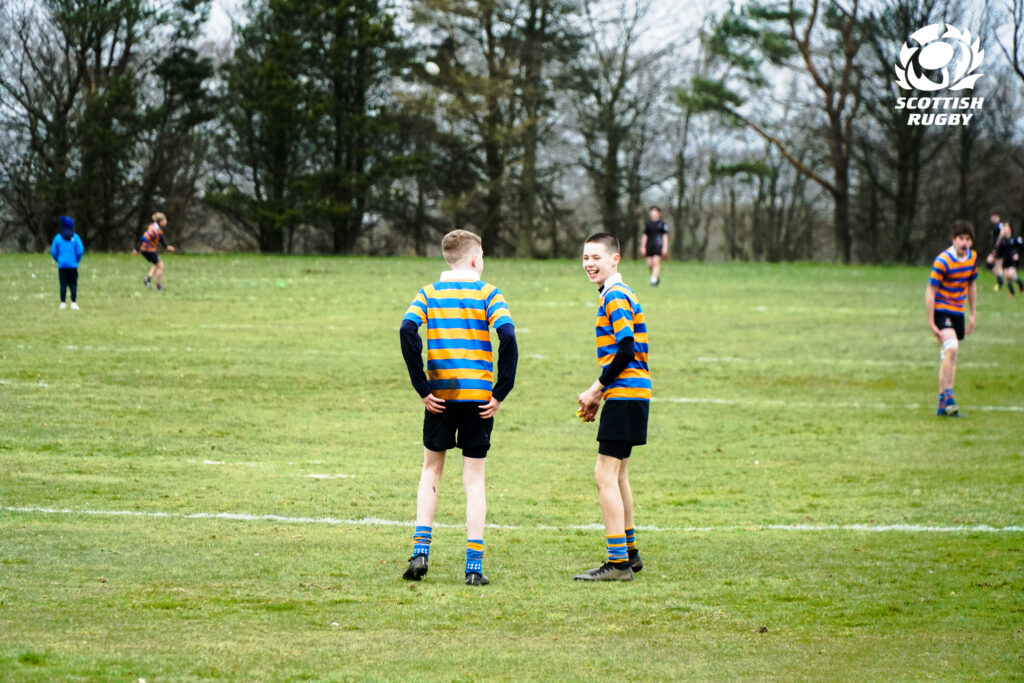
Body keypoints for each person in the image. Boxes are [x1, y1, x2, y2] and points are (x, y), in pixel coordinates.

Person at [399, 229, 518, 586]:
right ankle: (473, 567)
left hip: (439, 396)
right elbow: (508, 336)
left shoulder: (428, 293)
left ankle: (420, 552)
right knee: (474, 479)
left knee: (431, 471)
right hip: (479, 398)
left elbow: (406, 330)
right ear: (475, 259)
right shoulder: (488, 293)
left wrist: (422, 386)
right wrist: (501, 390)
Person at [574, 232, 650, 581]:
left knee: (603, 475)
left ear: (615, 259)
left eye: (596, 257)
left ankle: (618, 563)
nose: (589, 264)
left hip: (625, 394)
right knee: (618, 475)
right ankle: (630, 553)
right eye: (585, 257)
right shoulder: (618, 292)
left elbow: (626, 349)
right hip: (633, 394)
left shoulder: (616, 295)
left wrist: (596, 389)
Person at [926, 220, 978, 417]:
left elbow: (971, 285)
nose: (964, 243)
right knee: (952, 348)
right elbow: (931, 291)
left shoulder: (972, 258)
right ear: (953, 239)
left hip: (958, 311)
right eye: (961, 238)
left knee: (951, 356)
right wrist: (931, 321)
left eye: (968, 239)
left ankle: (942, 406)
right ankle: (949, 396)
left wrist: (972, 314)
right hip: (942, 310)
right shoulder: (943, 261)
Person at [133, 212, 175, 290]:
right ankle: (158, 286)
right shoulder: (153, 229)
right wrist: (136, 249)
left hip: (148, 250)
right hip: (148, 250)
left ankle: (147, 279)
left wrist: (167, 247)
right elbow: (143, 238)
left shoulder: (158, 229)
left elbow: (161, 239)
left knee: (157, 264)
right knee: (161, 266)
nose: (166, 221)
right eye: (164, 220)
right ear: (160, 221)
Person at [50, 215, 84, 310]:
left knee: (63, 284)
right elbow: (80, 251)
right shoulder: (76, 238)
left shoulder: (57, 238)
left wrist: (58, 260)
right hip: (73, 266)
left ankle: (63, 303)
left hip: (62, 266)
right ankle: (73, 302)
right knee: (73, 284)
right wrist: (76, 260)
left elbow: (53, 251)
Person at [640, 206, 669, 286]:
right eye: (652, 212)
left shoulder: (662, 224)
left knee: (656, 262)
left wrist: (665, 247)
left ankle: (653, 281)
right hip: (649, 246)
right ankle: (655, 277)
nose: (653, 213)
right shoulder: (647, 224)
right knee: (650, 264)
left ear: (659, 213)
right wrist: (643, 246)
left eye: (655, 212)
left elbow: (665, 236)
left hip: (658, 246)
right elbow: (645, 236)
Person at [986, 212, 1011, 291]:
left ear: (998, 217)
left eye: (995, 217)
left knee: (993, 264)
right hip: (998, 248)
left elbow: (1005, 234)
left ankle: (1002, 282)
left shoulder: (1000, 226)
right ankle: (1001, 280)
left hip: (1000, 248)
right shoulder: (996, 226)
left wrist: (997, 246)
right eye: (992, 217)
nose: (993, 218)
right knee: (991, 263)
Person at [997, 228, 1022, 296]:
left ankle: (1021, 285)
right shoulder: (1003, 240)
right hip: (1006, 260)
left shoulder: (1015, 238)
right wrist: (1001, 236)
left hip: (1013, 259)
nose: (1005, 229)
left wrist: (1017, 254)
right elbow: (999, 249)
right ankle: (1012, 292)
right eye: (1004, 228)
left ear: (1010, 229)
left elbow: (1021, 247)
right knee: (1007, 277)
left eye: (1006, 228)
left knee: (1011, 275)